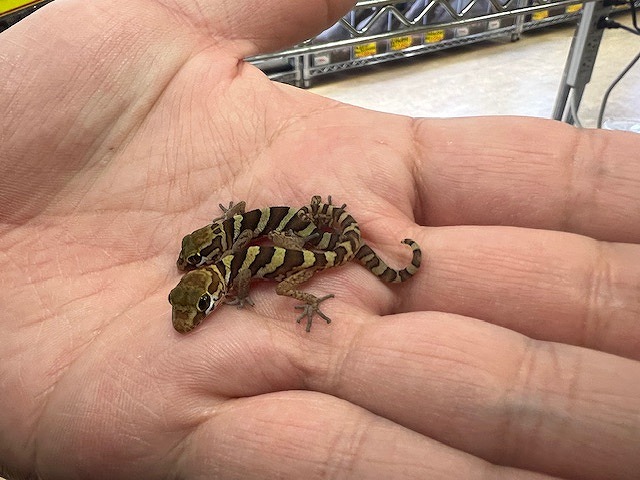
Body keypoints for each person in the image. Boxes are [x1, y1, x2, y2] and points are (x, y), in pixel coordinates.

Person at [1, 1, 638, 479]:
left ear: (209, 285)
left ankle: (346, 272)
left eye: (194, 304)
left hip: (314, 259)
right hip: (308, 247)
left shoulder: (234, 271)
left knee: (297, 282)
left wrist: (299, 288)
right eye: (190, 304)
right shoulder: (224, 268)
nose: (188, 315)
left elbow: (251, 270)